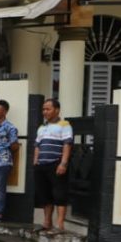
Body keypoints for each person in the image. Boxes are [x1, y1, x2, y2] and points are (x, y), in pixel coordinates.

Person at [34, 98, 73, 233]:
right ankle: (47, 223)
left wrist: (63, 163)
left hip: (56, 164)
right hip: (41, 165)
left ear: (57, 110)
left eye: (48, 109)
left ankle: (60, 225)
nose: (45, 112)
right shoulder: (41, 127)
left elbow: (67, 144)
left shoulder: (64, 125)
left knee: (59, 194)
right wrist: (35, 161)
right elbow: (37, 146)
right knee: (45, 195)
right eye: (43, 109)